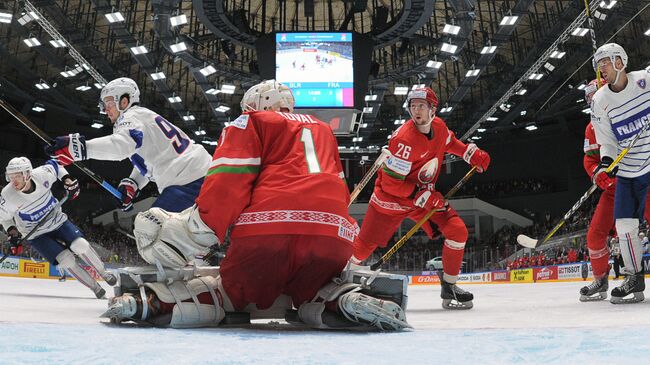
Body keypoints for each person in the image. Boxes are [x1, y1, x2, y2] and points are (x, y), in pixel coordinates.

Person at [102, 80, 410, 331]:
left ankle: (155, 303)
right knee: (313, 287)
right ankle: (341, 300)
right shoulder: (323, 130)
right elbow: (335, 193)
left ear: (257, 104)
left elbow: (228, 181)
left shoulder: (251, 121)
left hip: (267, 235)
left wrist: (197, 231)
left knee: (229, 291)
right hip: (333, 239)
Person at [350, 86, 490, 310]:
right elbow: (391, 183)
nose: (416, 110)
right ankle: (337, 276)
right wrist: (422, 195)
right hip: (391, 201)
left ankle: (450, 286)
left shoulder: (439, 127)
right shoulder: (403, 140)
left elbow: (449, 142)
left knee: (457, 231)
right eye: (413, 106)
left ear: (433, 109)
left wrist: (469, 153)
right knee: (363, 249)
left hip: (422, 198)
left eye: (421, 106)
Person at [46, 77, 211, 212]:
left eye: (109, 103)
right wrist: (133, 183)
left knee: (151, 229)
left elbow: (121, 147)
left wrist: (78, 148)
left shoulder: (130, 117)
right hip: (199, 175)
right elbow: (150, 159)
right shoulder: (142, 116)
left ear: (124, 102)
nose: (105, 110)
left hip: (188, 182)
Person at [0, 157, 115, 298]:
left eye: (17, 176)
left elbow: (57, 165)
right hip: (36, 234)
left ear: (28, 174)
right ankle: (95, 288)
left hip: (57, 221)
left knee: (81, 246)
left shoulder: (42, 174)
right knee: (66, 260)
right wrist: (12, 232)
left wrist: (67, 179)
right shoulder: (8, 195)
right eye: (11, 177)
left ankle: (104, 273)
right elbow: (4, 218)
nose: (14, 181)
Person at [591, 43, 650, 304]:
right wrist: (605, 165)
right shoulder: (600, 101)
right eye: (599, 63)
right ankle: (634, 277)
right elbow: (607, 142)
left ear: (621, 61)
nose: (602, 67)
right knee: (624, 225)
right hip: (628, 171)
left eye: (606, 61)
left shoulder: (645, 82)